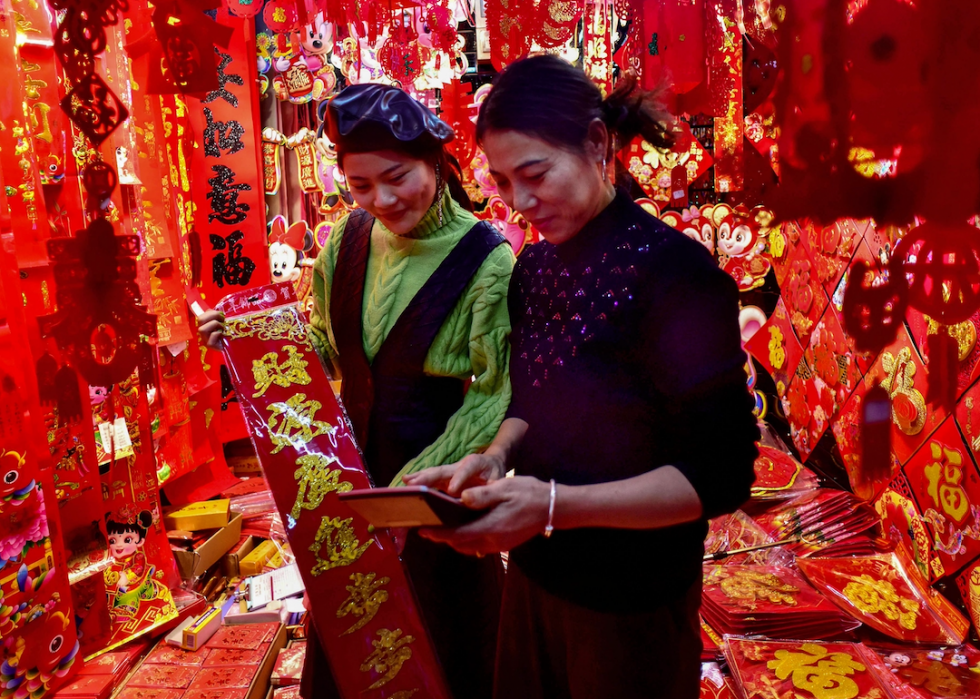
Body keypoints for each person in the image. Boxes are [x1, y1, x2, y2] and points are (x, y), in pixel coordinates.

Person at [407, 55, 759, 699]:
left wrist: (550, 506)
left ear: (597, 143)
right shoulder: (534, 269)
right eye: (505, 181)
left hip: (632, 604)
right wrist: (494, 457)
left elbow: (721, 474)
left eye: (536, 173)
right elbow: (536, 396)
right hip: (538, 582)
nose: (521, 201)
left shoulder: (675, 276)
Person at [198, 83, 514, 699]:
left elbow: (493, 393)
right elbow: (322, 350)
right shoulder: (346, 241)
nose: (383, 200)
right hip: (346, 476)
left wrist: (415, 489)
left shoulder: (487, 258)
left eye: (397, 177)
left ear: (435, 160)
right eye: (361, 186)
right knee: (354, 640)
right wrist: (242, 340)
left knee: (442, 646)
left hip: (434, 487)